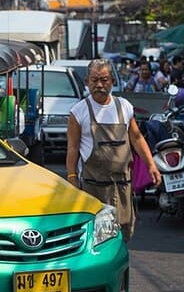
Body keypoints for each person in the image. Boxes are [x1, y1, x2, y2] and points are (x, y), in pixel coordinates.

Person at [66, 59, 162, 241]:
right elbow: (73, 148)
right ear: (87, 81)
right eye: (94, 80)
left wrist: (152, 165)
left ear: (113, 81)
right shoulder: (78, 112)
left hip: (122, 187)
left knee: (123, 236)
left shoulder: (124, 107)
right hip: (93, 189)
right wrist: (72, 179)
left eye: (104, 79)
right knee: (96, 239)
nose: (99, 85)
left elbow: (137, 138)